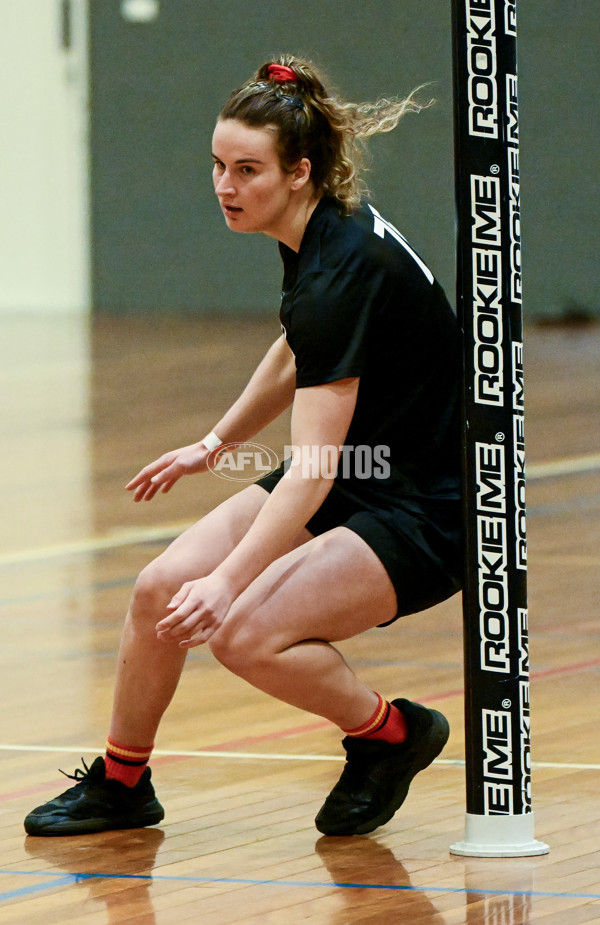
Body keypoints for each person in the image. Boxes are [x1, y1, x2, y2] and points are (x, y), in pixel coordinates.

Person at [24, 55, 462, 839]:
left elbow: (316, 468)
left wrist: (229, 579)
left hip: (424, 506)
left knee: (243, 631)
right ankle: (123, 783)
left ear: (299, 171)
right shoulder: (320, 229)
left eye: (247, 169)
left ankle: (390, 735)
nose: (226, 186)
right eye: (218, 166)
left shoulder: (340, 268)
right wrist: (215, 442)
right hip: (362, 473)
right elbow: (298, 348)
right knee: (161, 589)